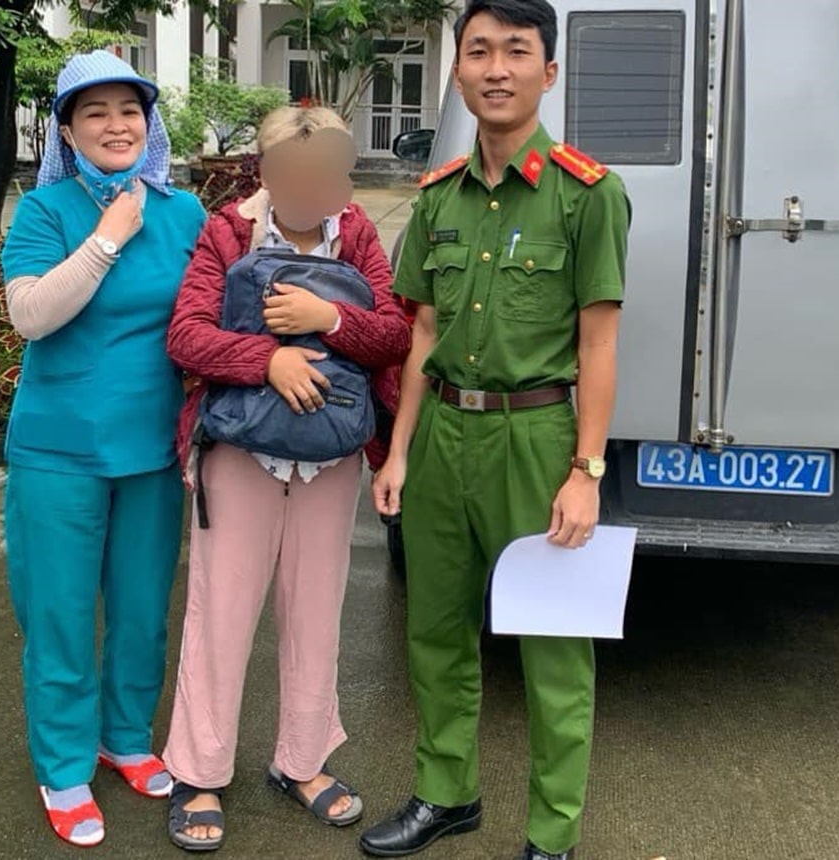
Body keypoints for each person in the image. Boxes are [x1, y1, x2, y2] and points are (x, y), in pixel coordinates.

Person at [359, 0, 631, 858]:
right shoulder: (438, 195)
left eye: (516, 51)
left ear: (548, 72)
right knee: (435, 630)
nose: (496, 68)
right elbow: (424, 333)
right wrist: (400, 452)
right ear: (458, 72)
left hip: (535, 440)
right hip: (444, 434)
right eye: (478, 51)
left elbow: (599, 343)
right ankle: (446, 793)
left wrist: (586, 470)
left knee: (554, 644)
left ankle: (553, 833)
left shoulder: (589, 195)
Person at [161, 106, 411, 852]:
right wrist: (267, 359)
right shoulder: (227, 232)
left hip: (328, 455)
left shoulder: (356, 234)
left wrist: (328, 318)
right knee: (221, 611)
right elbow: (186, 336)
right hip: (241, 450)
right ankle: (199, 771)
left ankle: (301, 761)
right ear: (264, 171)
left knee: (316, 611)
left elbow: (394, 334)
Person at [0, 50, 207, 847]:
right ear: (67, 129)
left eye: (130, 110)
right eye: (96, 112)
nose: (117, 126)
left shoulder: (183, 212)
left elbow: (212, 309)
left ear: (148, 123)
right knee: (57, 617)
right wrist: (109, 236)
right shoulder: (44, 211)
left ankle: (124, 737)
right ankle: (62, 765)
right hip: (58, 453)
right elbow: (31, 315)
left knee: (143, 611)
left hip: (152, 449)